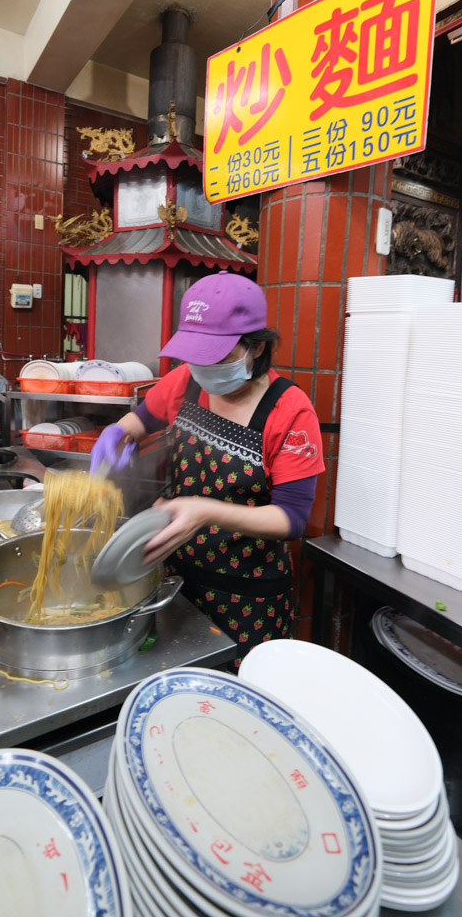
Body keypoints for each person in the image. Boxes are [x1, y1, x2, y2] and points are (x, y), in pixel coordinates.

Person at [90, 270, 325, 669]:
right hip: (176, 580)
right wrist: (118, 432)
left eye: (219, 355)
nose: (202, 365)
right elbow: (143, 418)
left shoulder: (290, 411)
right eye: (195, 354)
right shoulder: (185, 381)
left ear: (255, 348)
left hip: (249, 596)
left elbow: (292, 518)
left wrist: (204, 511)